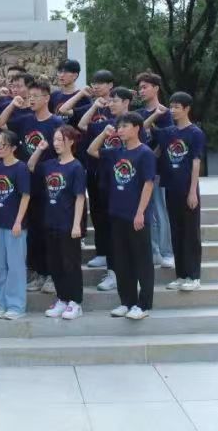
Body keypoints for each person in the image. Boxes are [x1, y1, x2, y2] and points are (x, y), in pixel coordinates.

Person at [0, 79, 64, 294]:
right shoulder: (25, 120)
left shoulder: (56, 123)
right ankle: (39, 272)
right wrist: (12, 104)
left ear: (47, 98)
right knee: (33, 230)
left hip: (50, 183)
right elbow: (1, 124)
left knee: (50, 229)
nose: (31, 99)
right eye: (30, 96)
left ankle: (53, 275)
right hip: (26, 182)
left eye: (36, 96)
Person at [89, 114, 156, 320]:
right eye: (119, 127)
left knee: (142, 261)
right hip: (116, 214)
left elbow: (148, 184)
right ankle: (127, 302)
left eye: (125, 126)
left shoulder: (145, 153)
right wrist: (104, 133)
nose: (120, 130)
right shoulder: (115, 152)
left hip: (136, 216)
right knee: (121, 261)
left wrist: (140, 212)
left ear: (137, 128)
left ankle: (143, 305)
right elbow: (91, 150)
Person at [78, 85, 142, 291]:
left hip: (130, 187)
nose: (111, 104)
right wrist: (104, 133)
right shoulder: (104, 125)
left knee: (129, 233)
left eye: (115, 101)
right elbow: (85, 133)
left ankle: (133, 273)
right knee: (109, 229)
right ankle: (113, 272)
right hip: (106, 184)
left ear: (126, 102)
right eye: (110, 100)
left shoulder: (137, 125)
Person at [29, 126, 87, 320]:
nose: (56, 143)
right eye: (54, 140)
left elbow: (80, 197)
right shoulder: (49, 165)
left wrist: (77, 224)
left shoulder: (76, 167)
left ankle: (75, 302)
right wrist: (39, 149)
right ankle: (62, 298)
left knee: (70, 264)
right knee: (55, 264)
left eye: (60, 139)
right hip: (50, 221)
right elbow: (31, 166)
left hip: (68, 223)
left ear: (70, 141)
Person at [154, 92, 207, 291]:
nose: (173, 110)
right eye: (171, 106)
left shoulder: (195, 133)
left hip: (187, 189)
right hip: (171, 188)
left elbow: (196, 162)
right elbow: (144, 129)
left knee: (190, 233)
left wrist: (192, 191)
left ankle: (194, 277)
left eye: (177, 107)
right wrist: (156, 113)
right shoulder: (168, 132)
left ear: (187, 109)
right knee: (176, 232)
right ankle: (181, 275)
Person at [0, 130, 32, 320]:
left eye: (3, 144)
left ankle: (16, 306)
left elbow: (26, 196)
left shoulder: (21, 168)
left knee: (15, 266)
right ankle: (2, 304)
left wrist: (18, 221)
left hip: (15, 224)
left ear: (13, 148)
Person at [136, 72, 175, 269]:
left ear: (156, 88)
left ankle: (167, 252)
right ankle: (153, 251)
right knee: (146, 211)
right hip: (141, 171)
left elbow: (166, 141)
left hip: (158, 170)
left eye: (145, 87)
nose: (141, 91)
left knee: (160, 210)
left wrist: (150, 159)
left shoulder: (166, 113)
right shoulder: (140, 114)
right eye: (140, 88)